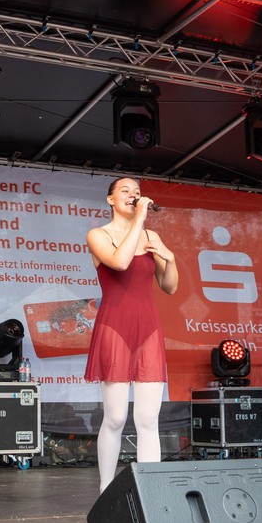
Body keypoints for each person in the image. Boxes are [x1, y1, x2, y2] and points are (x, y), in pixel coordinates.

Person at [84, 177, 178, 493]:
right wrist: (139, 219)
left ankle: (151, 491)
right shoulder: (98, 235)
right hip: (115, 328)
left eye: (137, 191)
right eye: (125, 191)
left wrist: (169, 256)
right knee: (115, 418)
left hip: (148, 329)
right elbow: (120, 262)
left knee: (148, 419)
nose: (133, 195)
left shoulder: (151, 236)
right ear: (110, 199)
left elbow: (170, 286)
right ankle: (106, 489)